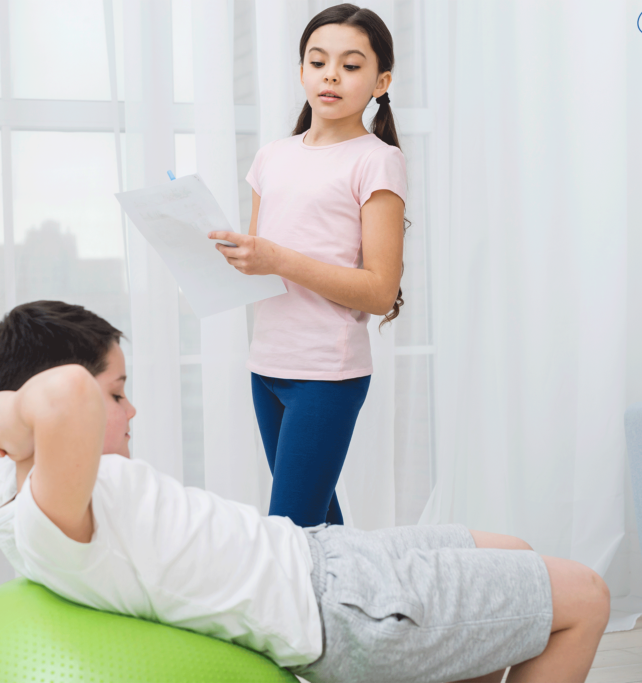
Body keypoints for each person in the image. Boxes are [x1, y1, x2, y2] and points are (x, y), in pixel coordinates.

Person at [0, 300, 611, 683]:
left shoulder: (19, 480)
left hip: (326, 557)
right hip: (344, 608)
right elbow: (66, 391)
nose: (131, 411)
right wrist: (18, 415)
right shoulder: (52, 511)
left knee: (512, 549)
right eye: (118, 394)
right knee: (585, 594)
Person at [207, 4, 408, 527]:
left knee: (288, 533)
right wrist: (232, 253)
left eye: (351, 64)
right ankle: (361, 609)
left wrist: (277, 257)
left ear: (380, 80)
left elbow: (381, 291)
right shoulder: (272, 157)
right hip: (267, 364)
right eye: (318, 62)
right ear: (301, 72)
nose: (331, 75)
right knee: (318, 531)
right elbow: (261, 264)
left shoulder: (377, 159)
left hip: (326, 372)